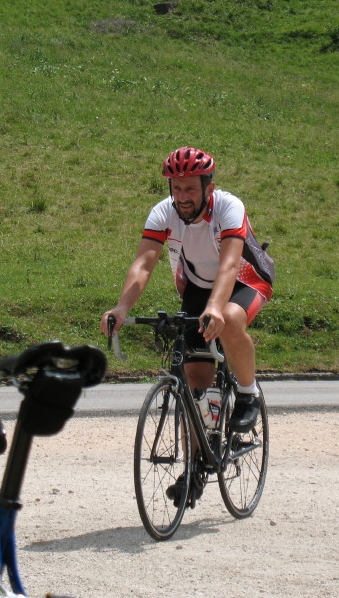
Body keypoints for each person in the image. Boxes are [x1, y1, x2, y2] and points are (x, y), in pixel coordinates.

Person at [100, 146, 274, 432]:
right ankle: (197, 458)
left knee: (230, 319)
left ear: (209, 188)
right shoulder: (163, 212)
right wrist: (121, 307)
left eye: (191, 188)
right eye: (177, 188)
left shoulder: (229, 207)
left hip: (246, 280)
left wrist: (215, 307)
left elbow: (230, 265)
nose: (182, 197)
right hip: (198, 286)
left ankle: (248, 393)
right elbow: (143, 265)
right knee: (194, 384)